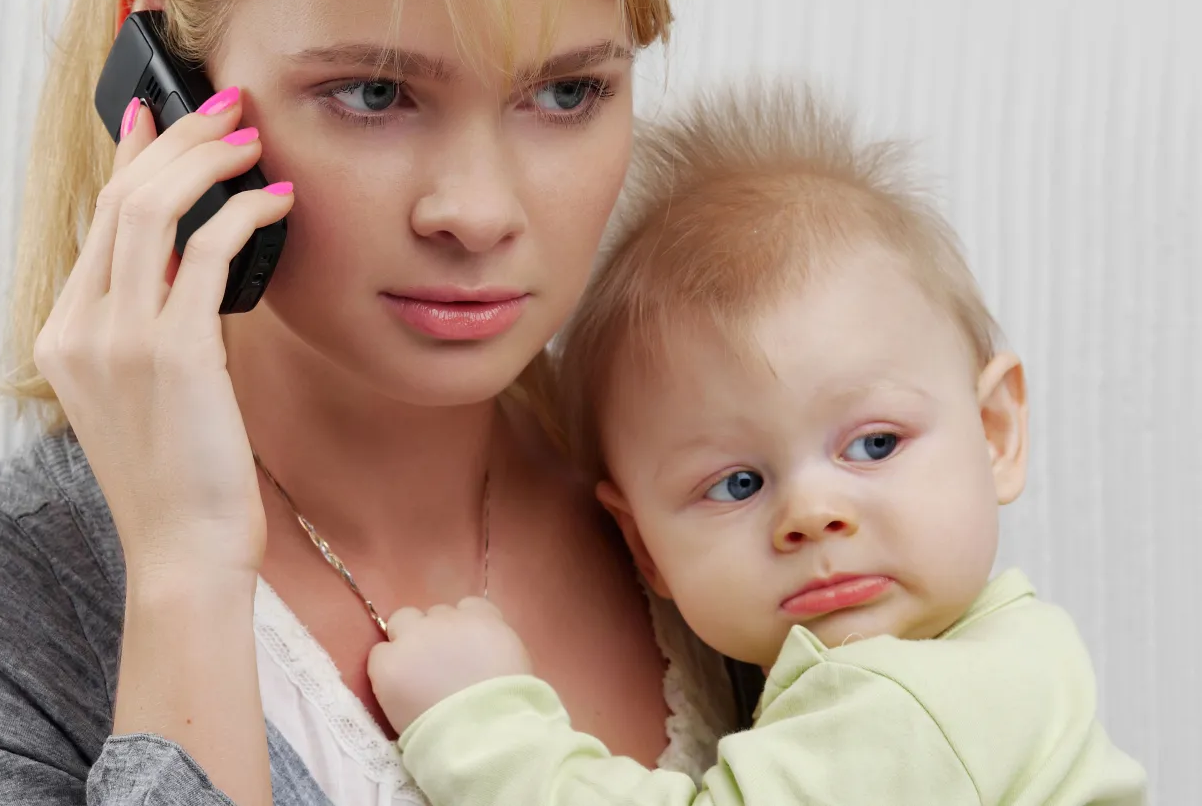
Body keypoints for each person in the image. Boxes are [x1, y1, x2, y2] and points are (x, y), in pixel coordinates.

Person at [0, 0, 748, 805]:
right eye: (373, 93)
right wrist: (185, 577)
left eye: (566, 91)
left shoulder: (749, 472)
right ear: (165, 70)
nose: (478, 210)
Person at [366, 86, 1150, 804]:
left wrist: (482, 724)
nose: (811, 514)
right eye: (737, 483)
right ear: (642, 543)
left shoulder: (919, 703)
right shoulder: (981, 663)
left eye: (875, 443)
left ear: (996, 433)